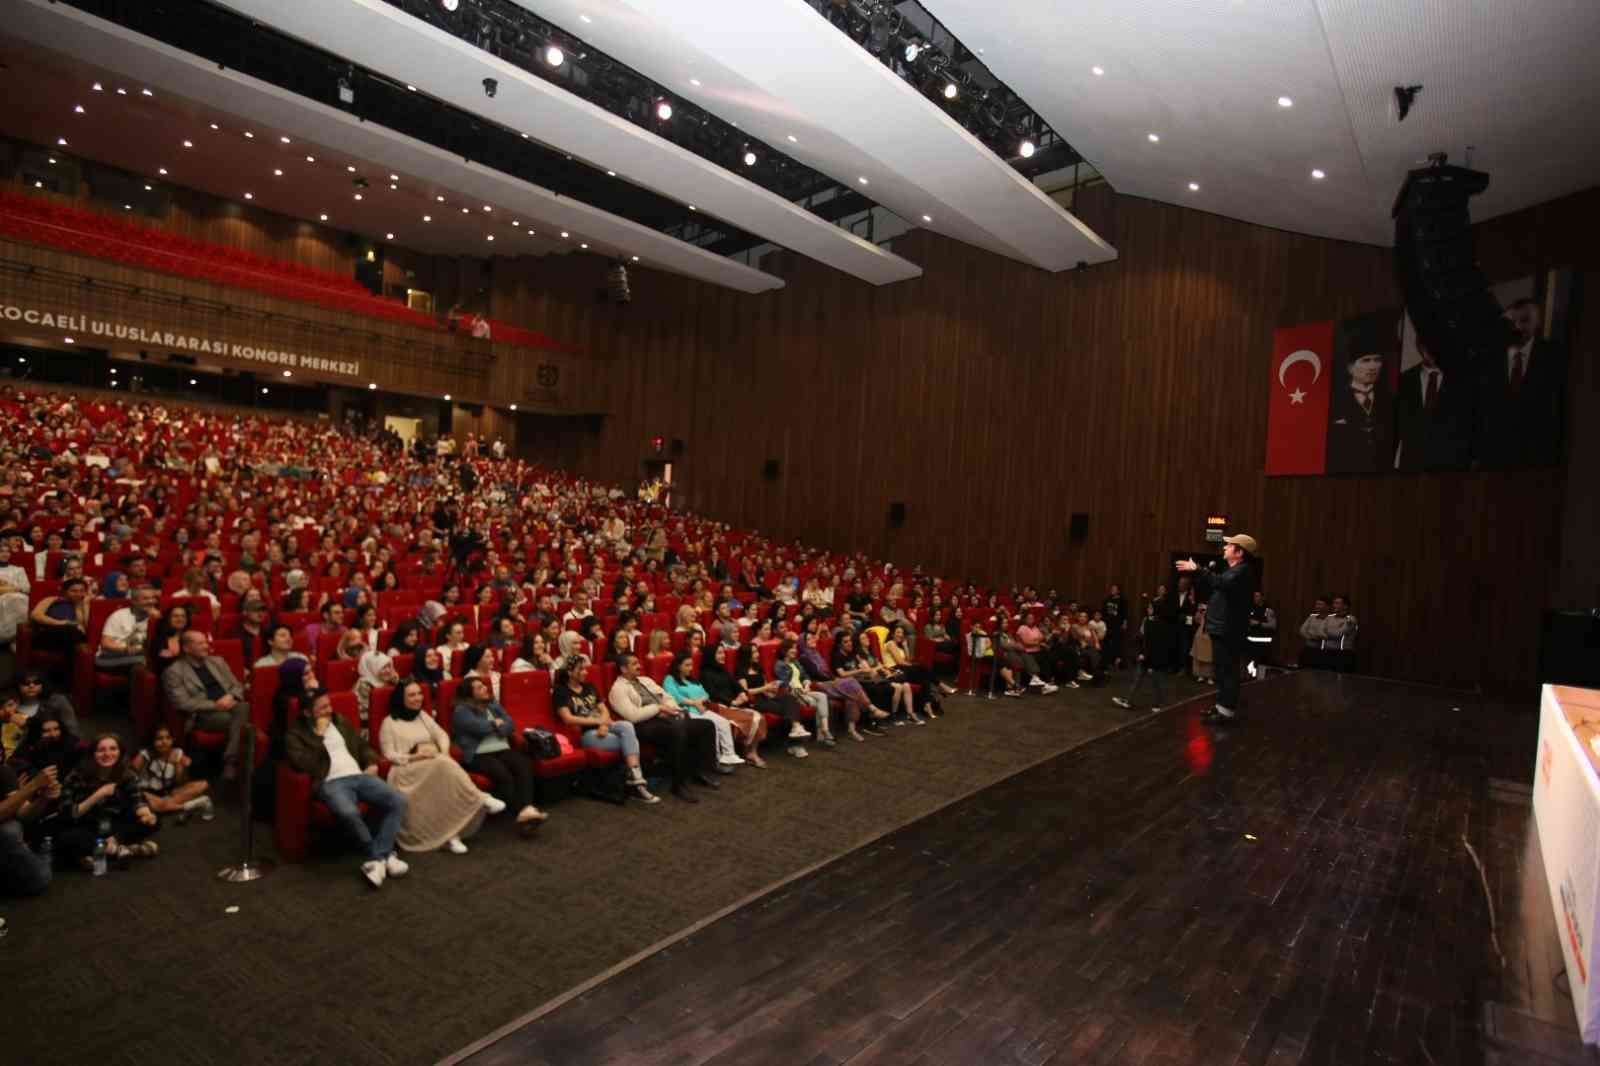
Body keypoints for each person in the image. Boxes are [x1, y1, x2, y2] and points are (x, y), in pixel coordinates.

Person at [284, 689, 410, 888]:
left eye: (329, 704)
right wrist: (319, 735)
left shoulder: (340, 721)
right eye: (323, 707)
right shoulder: (295, 735)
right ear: (307, 713)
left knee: (399, 801)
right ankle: (381, 856)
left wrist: (371, 762)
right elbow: (305, 765)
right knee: (348, 812)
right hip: (330, 782)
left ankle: (378, 859)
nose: (329, 710)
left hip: (359, 775)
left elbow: (362, 745)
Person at [378, 681, 503, 854]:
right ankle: (480, 798)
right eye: (412, 695)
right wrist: (415, 756)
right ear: (401, 699)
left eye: (419, 694)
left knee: (442, 764)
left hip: (432, 764)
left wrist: (444, 751)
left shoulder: (422, 716)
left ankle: (450, 836)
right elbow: (389, 754)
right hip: (405, 770)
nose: (418, 698)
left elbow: (441, 735)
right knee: (441, 764)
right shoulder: (389, 723)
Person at [609, 652, 720, 801]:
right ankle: (678, 785)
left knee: (706, 726)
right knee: (678, 729)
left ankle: (700, 771)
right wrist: (658, 709)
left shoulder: (645, 680)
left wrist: (674, 710)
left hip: (666, 718)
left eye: (638, 662)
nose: (639, 666)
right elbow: (632, 715)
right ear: (623, 669)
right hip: (643, 725)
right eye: (634, 664)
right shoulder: (617, 689)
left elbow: (667, 697)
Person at [1476, 297, 1568, 467]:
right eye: (1512, 321)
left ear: (1537, 322)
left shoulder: (1554, 356)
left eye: (1525, 320)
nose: (1517, 327)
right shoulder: (1490, 356)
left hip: (1536, 457)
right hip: (1492, 457)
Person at [1176, 533, 1258, 722]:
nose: (1224, 548)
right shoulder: (1234, 571)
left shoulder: (1242, 572)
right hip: (1221, 628)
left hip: (1228, 630)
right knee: (1221, 670)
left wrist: (1198, 569)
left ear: (1239, 552)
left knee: (1227, 671)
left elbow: (1220, 582)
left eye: (1229, 546)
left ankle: (1226, 711)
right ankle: (1221, 707)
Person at [450, 675, 548, 833]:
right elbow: (477, 728)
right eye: (479, 688)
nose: (485, 689)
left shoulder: (492, 704)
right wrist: (495, 723)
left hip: (502, 749)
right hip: (478, 754)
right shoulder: (461, 710)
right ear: (469, 694)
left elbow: (510, 723)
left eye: (484, 686)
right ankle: (521, 812)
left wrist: (497, 726)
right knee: (503, 774)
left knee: (523, 764)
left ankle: (526, 809)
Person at [553, 658, 658, 801]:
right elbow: (568, 718)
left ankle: (635, 778)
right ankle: (637, 781)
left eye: (585, 668)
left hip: (604, 727)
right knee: (629, 740)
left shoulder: (589, 686)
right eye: (581, 669)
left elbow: (604, 710)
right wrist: (598, 722)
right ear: (570, 672)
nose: (585, 672)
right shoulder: (561, 691)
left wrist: (603, 724)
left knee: (627, 726)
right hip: (587, 733)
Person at [57, 732, 159, 868]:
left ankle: (105, 849)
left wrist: (146, 814)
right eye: (101, 750)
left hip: (115, 825)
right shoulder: (76, 776)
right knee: (65, 838)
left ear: (120, 752)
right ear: (92, 754)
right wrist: (98, 795)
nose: (107, 754)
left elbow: (138, 800)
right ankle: (123, 850)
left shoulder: (127, 774)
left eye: (113, 749)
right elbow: (67, 814)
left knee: (154, 821)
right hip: (88, 825)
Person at [163, 630, 249, 775]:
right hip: (203, 715)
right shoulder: (174, 671)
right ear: (186, 648)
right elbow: (182, 702)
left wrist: (231, 696)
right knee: (243, 722)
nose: (206, 646)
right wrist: (215, 705)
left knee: (244, 707)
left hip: (231, 705)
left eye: (206, 642)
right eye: (200, 643)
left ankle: (231, 760)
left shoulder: (217, 661)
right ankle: (241, 766)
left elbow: (237, 685)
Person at [1325, 314, 1396, 474]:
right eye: (1365, 360)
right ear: (1350, 367)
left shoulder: (1390, 401)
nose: (1373, 366)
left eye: (1377, 360)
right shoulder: (1334, 401)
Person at [1394, 331, 1472, 471]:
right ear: (1419, 346)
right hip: (1411, 469)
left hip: (1451, 469)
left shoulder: (1464, 381)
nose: (1432, 349)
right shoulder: (1404, 381)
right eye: (1426, 344)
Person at [662, 652, 746, 769]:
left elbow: (706, 694)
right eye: (687, 665)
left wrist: (700, 701)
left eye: (691, 665)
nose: (690, 668)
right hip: (686, 711)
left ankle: (728, 754)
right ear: (678, 666)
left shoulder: (692, 680)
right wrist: (695, 703)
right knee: (711, 725)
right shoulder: (669, 679)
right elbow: (674, 696)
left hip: (701, 709)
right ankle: (715, 760)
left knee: (723, 722)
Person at [695, 645, 771, 765]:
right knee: (754, 718)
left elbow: (736, 684)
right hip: (720, 706)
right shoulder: (705, 674)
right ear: (711, 656)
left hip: (734, 704)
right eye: (719, 653)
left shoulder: (723, 670)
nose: (723, 656)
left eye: (723, 653)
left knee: (759, 717)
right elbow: (712, 694)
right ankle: (749, 752)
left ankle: (751, 752)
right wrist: (732, 702)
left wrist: (742, 693)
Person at [130, 724, 214, 822]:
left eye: (168, 738)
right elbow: (129, 778)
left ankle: (166, 806)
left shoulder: (177, 752)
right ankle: (192, 805)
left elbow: (179, 782)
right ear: (152, 741)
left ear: (172, 739)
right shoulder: (144, 755)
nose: (164, 742)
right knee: (154, 804)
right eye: (159, 739)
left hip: (167, 792)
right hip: (146, 792)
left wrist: (181, 765)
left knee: (203, 784)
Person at [0, 761, 54, 896]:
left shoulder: (4, 771)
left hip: (6, 830)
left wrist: (44, 798)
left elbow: (24, 813)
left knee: (8, 831)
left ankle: (41, 860)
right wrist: (33, 785)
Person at [94, 583, 157, 674]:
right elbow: (106, 643)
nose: (151, 601)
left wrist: (158, 620)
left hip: (137, 657)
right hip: (108, 658)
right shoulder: (119, 615)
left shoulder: (155, 617)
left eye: (153, 598)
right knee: (144, 661)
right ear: (134, 601)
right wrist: (126, 649)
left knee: (149, 661)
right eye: (146, 598)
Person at [1322, 595, 1359, 672]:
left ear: (1345, 606)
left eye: (1337, 603)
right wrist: (1331, 631)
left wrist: (1327, 631)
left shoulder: (1351, 619)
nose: (1334, 605)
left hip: (1343, 655)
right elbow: (1320, 631)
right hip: (1327, 653)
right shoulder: (1329, 617)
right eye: (1334, 603)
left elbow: (1339, 634)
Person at [1297, 597, 1330, 670]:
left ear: (1327, 606)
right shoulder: (1312, 617)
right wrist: (1310, 637)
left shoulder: (1330, 619)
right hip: (1308, 648)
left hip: (1322, 651)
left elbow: (1327, 634)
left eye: (1320, 604)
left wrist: (1315, 635)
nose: (1317, 606)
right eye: (1316, 604)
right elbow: (1302, 630)